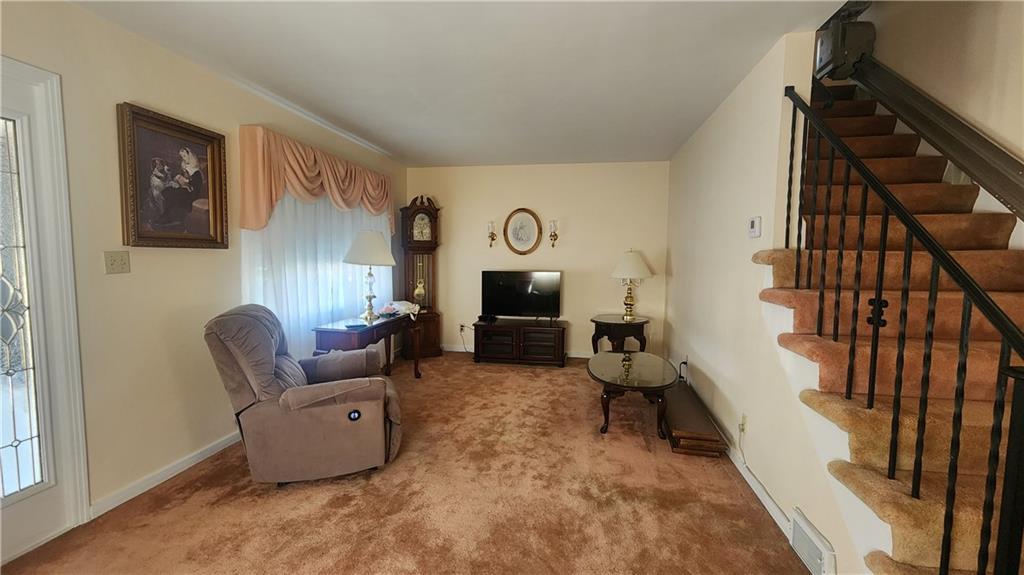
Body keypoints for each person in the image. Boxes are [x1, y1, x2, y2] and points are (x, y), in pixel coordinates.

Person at [155, 147, 205, 225]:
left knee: (174, 193)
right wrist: (177, 180)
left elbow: (195, 187)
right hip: (183, 189)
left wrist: (186, 183)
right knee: (168, 190)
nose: (183, 159)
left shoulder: (197, 171)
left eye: (184, 156)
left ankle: (167, 217)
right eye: (182, 157)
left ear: (190, 156)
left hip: (191, 193)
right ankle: (166, 216)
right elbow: (181, 180)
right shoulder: (184, 167)